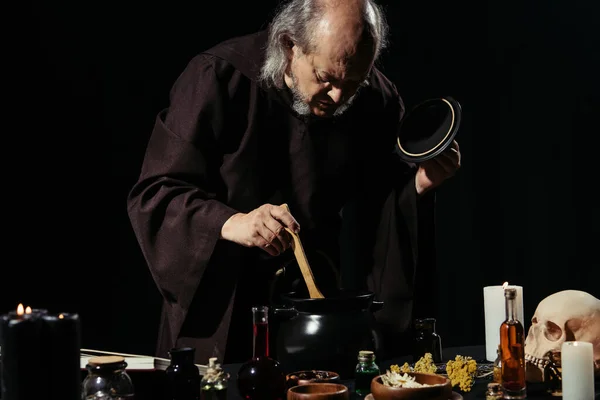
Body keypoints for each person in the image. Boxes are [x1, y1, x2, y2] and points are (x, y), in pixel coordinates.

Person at [126, 0, 461, 365]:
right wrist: (232, 222)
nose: (338, 96)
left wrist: (417, 187)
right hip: (223, 307)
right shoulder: (219, 76)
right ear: (290, 46)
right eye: (325, 78)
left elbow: (381, 202)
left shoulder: (373, 98)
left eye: (353, 82)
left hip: (314, 314)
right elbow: (156, 193)